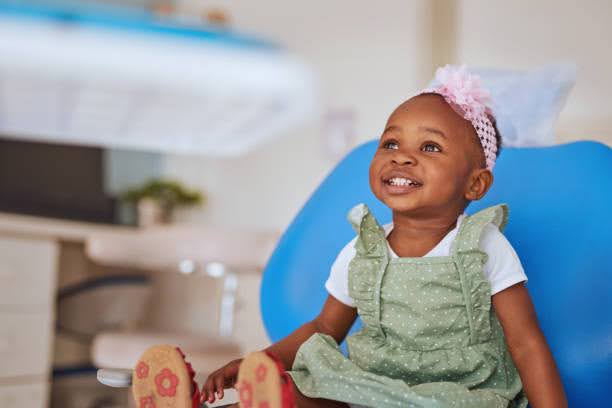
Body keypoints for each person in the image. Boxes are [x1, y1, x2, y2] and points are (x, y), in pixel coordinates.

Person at [134, 65, 568, 408]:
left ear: (475, 186)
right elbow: (324, 327)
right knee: (305, 390)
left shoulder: (482, 246)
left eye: (430, 148)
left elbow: (525, 343)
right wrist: (258, 362)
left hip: (454, 394)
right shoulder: (364, 248)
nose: (403, 158)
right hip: (370, 386)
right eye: (391, 144)